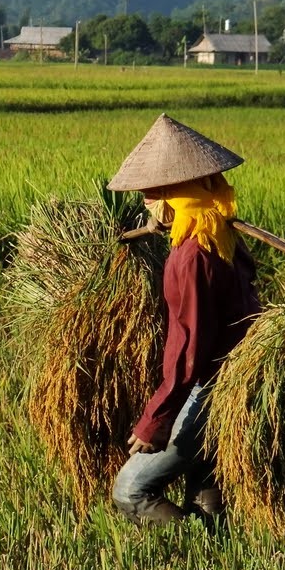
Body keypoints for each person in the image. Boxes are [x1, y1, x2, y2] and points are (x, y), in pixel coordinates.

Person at [107, 114, 261, 526]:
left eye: (149, 196)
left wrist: (153, 421)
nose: (146, 205)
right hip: (236, 381)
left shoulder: (189, 257)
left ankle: (187, 547)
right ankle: (214, 548)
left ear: (174, 197)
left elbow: (189, 350)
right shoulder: (222, 237)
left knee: (130, 491)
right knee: (202, 472)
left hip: (209, 388)